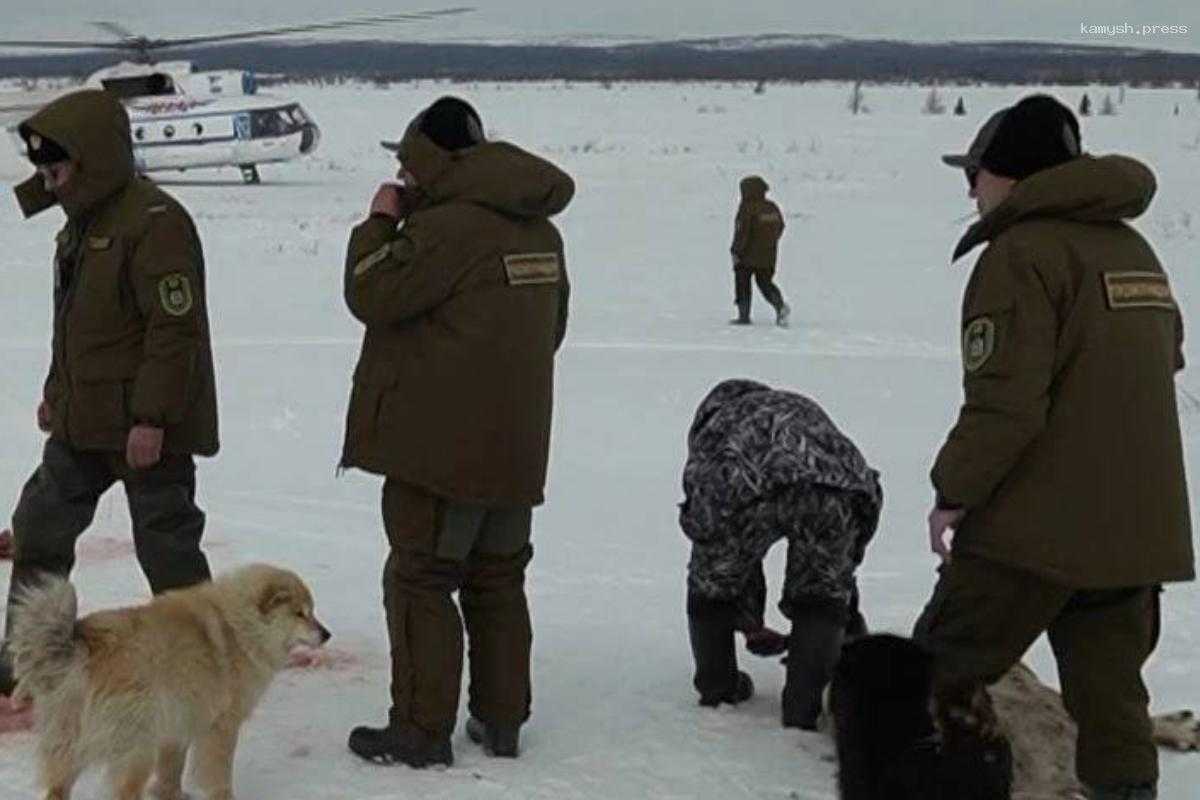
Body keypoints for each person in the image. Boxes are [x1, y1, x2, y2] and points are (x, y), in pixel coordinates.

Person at [915, 94, 1193, 800]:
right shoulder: (1134, 251)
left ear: (1011, 176)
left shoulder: (1020, 255)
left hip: (1031, 536)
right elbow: (1164, 362)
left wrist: (954, 492)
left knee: (931, 678)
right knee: (1114, 711)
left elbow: (1005, 406)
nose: (970, 188)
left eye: (975, 172)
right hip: (1134, 528)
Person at [339, 96, 573, 767]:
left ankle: (419, 729)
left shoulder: (446, 230)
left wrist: (380, 222)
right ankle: (502, 721)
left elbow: (371, 293)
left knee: (420, 578)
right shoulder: (538, 230)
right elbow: (551, 330)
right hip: (517, 445)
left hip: (441, 452)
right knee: (498, 579)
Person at [0, 89, 219, 695]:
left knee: (167, 547)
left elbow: (174, 332)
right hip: (85, 419)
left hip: (143, 426)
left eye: (57, 168)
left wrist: (152, 418)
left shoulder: (155, 223)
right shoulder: (84, 223)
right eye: (43, 170)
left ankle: (201, 661)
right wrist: (56, 392)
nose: (47, 180)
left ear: (92, 160)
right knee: (40, 524)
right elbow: (78, 325)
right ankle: (27, 655)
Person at [680, 379, 881, 729]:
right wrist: (841, 593)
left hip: (742, 488)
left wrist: (744, 616)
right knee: (820, 597)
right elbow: (863, 499)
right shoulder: (800, 408)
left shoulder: (715, 433)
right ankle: (803, 709)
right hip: (832, 489)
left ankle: (717, 687)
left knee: (709, 584)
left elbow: (714, 536)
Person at [730, 176, 790, 327]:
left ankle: (743, 315)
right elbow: (780, 226)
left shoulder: (747, 208)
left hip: (747, 255)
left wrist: (736, 251)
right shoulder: (772, 207)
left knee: (743, 282)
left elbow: (742, 232)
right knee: (765, 282)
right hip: (769, 254)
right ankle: (779, 305)